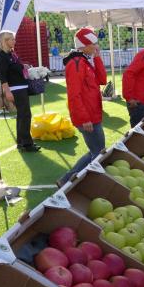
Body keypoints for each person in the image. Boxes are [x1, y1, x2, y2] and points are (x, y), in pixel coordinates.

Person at [57, 28, 107, 187]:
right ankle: (74, 182)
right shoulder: (76, 63)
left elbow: (102, 80)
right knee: (99, 152)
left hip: (92, 114)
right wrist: (84, 118)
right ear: (84, 45)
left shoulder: (84, 60)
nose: (96, 46)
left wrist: (97, 57)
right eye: (93, 43)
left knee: (97, 151)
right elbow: (74, 94)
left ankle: (66, 180)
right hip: (87, 116)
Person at [0, 30, 40, 152]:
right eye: (12, 39)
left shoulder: (11, 54)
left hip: (21, 87)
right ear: (5, 41)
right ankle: (27, 144)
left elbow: (15, 68)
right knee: (25, 115)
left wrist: (23, 66)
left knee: (22, 115)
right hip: (15, 89)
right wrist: (7, 91)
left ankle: (21, 142)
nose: (14, 41)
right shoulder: (2, 55)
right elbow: (2, 75)